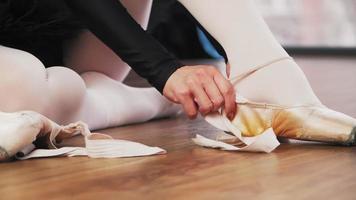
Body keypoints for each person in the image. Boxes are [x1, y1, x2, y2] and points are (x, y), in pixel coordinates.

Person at [0, 0, 355, 161]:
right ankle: (155, 103)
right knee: (29, 89)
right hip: (35, 74)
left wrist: (166, 69)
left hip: (68, 28)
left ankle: (268, 73)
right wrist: (165, 77)